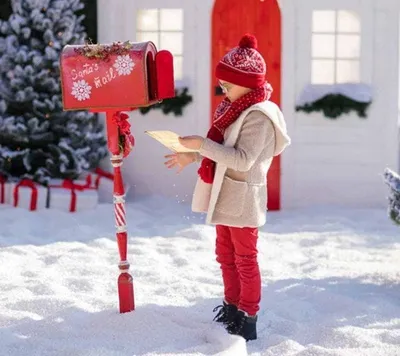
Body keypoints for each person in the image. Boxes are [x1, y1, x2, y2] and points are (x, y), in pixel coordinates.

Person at [164, 34, 290, 341]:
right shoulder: (235, 108)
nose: (224, 90)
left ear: (248, 82)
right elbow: (224, 147)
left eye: (228, 85)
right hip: (226, 193)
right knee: (225, 254)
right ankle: (232, 307)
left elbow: (243, 159)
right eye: (222, 85)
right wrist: (193, 155)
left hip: (244, 198)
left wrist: (203, 145)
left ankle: (248, 315)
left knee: (245, 258)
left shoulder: (258, 116)